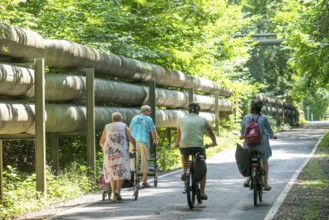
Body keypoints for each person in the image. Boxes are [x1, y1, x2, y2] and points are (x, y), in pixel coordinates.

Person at [175, 102, 217, 200]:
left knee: (184, 155)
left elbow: (179, 136)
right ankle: (202, 192)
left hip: (185, 146)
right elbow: (210, 133)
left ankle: (185, 171)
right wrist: (214, 142)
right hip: (198, 146)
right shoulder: (203, 119)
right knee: (202, 168)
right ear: (198, 111)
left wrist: (177, 144)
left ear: (188, 111)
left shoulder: (181, 120)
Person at [240, 99, 276, 191]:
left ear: (251, 108)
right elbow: (268, 130)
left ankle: (248, 179)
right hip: (261, 144)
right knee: (264, 161)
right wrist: (272, 135)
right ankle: (266, 183)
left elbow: (242, 132)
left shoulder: (246, 118)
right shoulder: (263, 118)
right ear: (260, 109)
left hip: (249, 145)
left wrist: (241, 136)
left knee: (248, 160)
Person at [99, 112, 136, 201]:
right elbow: (131, 138)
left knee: (112, 171)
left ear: (112, 119)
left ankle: (113, 194)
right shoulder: (123, 126)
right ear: (121, 119)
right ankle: (118, 190)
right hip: (121, 152)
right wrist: (134, 147)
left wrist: (107, 149)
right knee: (121, 171)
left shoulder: (107, 127)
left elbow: (101, 142)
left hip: (110, 153)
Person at [129, 105, 158, 188]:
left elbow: (129, 130)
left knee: (133, 160)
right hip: (144, 141)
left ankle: (134, 180)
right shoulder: (149, 119)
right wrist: (154, 140)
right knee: (144, 160)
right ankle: (144, 181)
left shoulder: (134, 118)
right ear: (146, 111)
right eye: (149, 111)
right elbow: (153, 131)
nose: (150, 112)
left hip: (133, 142)